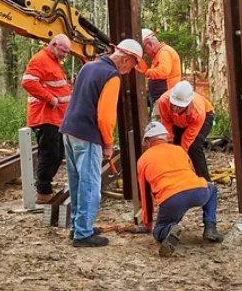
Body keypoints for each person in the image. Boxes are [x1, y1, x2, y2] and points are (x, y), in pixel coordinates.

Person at [60, 39, 147, 248]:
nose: (130, 71)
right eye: (133, 66)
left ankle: (78, 226)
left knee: (77, 183)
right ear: (126, 59)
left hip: (69, 130)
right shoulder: (112, 76)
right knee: (90, 187)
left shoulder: (88, 66)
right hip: (88, 135)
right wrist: (107, 143)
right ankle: (83, 234)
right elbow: (105, 117)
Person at [130, 121, 223, 257]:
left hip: (171, 198)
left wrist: (148, 223)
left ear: (147, 141)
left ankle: (168, 229)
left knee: (158, 231)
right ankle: (210, 227)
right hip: (198, 190)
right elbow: (191, 172)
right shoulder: (179, 150)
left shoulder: (143, 160)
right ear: (165, 137)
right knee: (212, 189)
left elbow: (145, 195)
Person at [22, 34, 71, 204]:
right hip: (45, 116)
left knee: (57, 154)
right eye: (63, 51)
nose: (65, 55)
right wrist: (50, 99)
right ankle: (43, 192)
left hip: (55, 117)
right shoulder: (40, 60)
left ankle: (44, 188)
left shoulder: (54, 61)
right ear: (54, 45)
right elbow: (28, 82)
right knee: (50, 154)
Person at [159, 80, 214, 181]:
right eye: (173, 104)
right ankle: (178, 179)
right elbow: (167, 125)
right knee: (174, 147)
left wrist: (181, 157)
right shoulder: (163, 101)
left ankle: (205, 183)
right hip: (178, 121)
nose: (175, 108)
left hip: (205, 116)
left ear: (188, 103)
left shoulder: (198, 112)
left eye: (179, 106)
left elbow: (187, 139)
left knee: (194, 147)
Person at [142, 28, 181, 121]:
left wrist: (144, 72)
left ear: (150, 44)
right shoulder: (159, 54)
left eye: (144, 50)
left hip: (164, 96)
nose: (145, 53)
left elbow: (163, 72)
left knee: (158, 124)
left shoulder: (164, 52)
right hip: (160, 96)